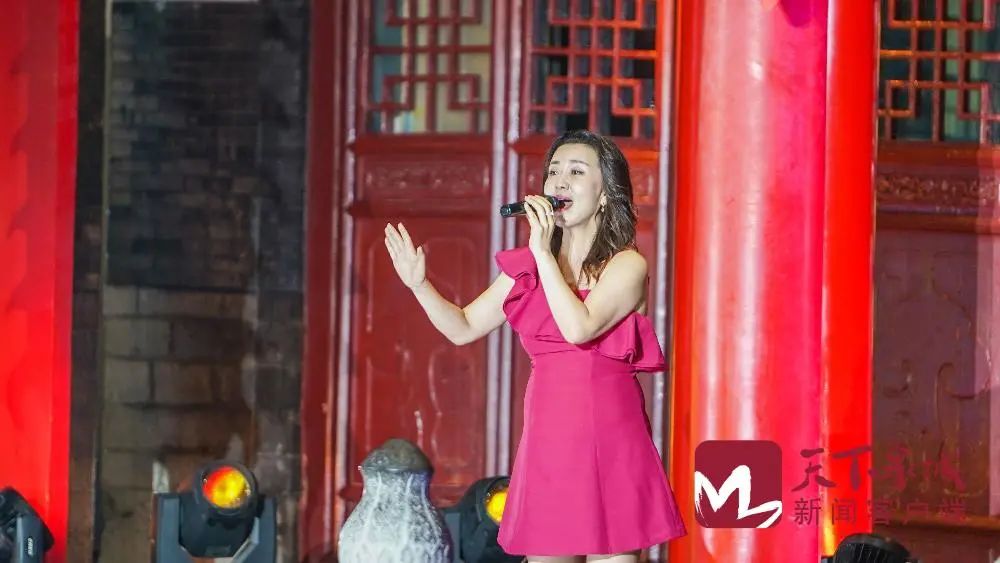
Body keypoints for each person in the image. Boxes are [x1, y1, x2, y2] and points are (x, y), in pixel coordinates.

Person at [383, 130, 686, 563]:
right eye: (554, 171)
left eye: (576, 172)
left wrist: (543, 254)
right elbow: (463, 327)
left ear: (604, 195)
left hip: (612, 437)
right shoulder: (527, 266)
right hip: (549, 437)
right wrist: (420, 285)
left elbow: (579, 328)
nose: (559, 181)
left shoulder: (626, 265)